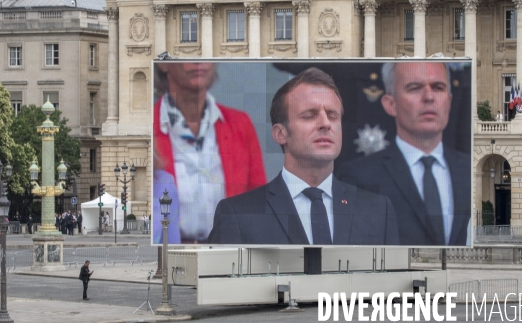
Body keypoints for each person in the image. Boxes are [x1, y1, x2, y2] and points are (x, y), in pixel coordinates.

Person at [208, 68, 399, 245]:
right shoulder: (239, 214)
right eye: (309, 115)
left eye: (333, 115)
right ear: (280, 133)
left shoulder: (378, 210)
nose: (325, 124)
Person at [338, 62, 471, 246]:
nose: (429, 97)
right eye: (415, 88)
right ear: (390, 104)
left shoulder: (470, 170)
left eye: (438, 87)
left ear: (449, 101)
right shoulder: (358, 177)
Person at [153, 63, 266, 243]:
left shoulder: (240, 124)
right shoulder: (146, 127)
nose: (199, 61)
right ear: (164, 64)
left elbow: (259, 204)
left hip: (230, 254)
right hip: (172, 253)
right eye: (189, 51)